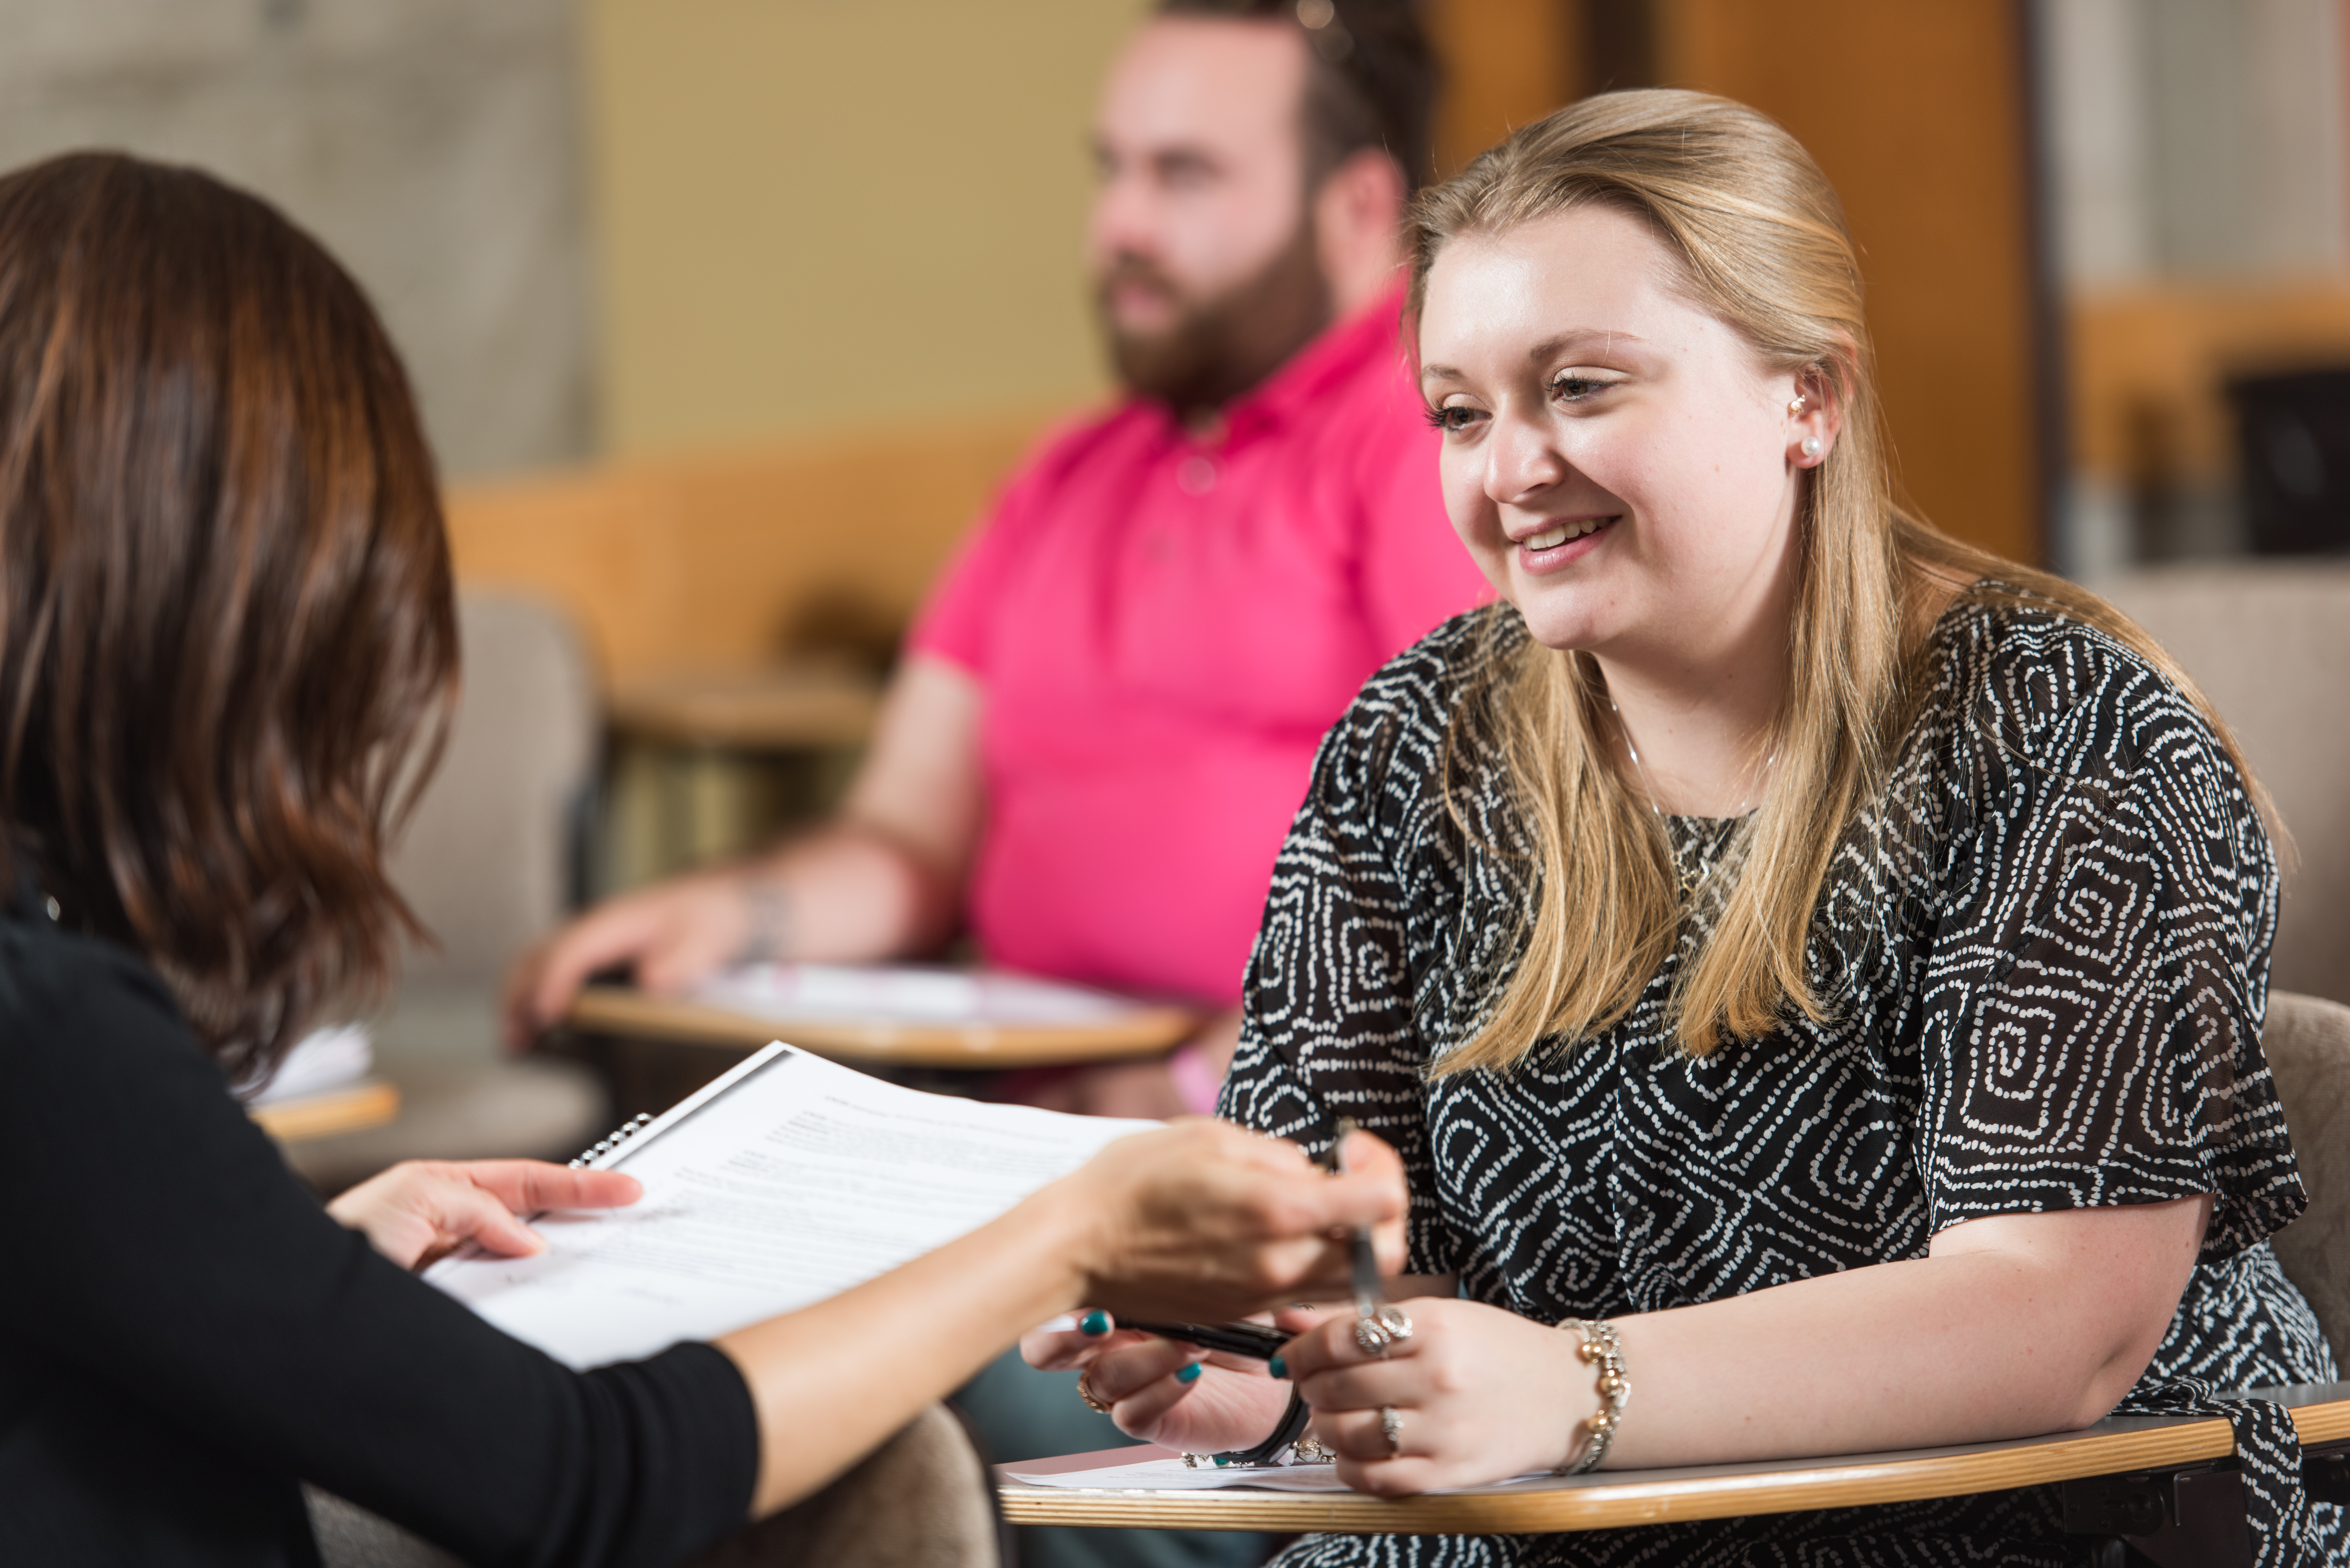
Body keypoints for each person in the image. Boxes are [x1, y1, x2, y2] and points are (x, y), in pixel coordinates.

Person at [0, 149, 1409, 1568]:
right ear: (214, 607)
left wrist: (307, 1266)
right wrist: (1069, 1234)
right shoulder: (55, 1038)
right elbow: (587, 1479)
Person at [1027, 90, 2347, 1565]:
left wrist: (1574, 1386)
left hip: (2027, 1525)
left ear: (1810, 398)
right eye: (1460, 412)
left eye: (1581, 387)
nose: (1507, 468)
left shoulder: (2060, 734)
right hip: (1538, 1524)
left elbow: (2056, 1317)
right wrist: (1254, 1375)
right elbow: (1327, 1240)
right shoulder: (1417, 741)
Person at [502, 0, 1490, 1125]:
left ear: (1359, 208)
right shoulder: (1070, 472)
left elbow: (1486, 870)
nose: (1119, 224)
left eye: (1185, 177)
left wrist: (1198, 1083)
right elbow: (912, 836)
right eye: (1110, 169)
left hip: (1297, 1140)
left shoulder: (1432, 439)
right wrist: (736, 913)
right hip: (1027, 1112)